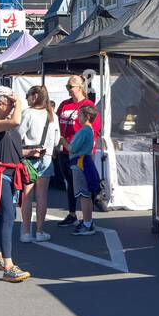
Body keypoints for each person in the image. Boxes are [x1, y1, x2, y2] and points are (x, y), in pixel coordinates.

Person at [0, 87, 31, 282]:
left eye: (13, 103)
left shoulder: (7, 126)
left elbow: (14, 148)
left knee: (5, 215)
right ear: (0, 103)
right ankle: (8, 266)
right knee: (9, 216)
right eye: (10, 103)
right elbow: (16, 120)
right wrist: (19, 102)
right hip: (1, 174)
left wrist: (31, 153)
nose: (13, 106)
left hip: (13, 172)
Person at [54, 74, 100, 229]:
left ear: (80, 87)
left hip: (80, 152)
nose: (68, 90)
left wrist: (89, 146)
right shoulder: (64, 105)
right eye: (67, 87)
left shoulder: (88, 106)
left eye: (70, 87)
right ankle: (72, 214)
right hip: (64, 151)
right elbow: (55, 122)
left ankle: (87, 218)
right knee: (70, 183)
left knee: (84, 186)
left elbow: (95, 128)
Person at [19, 85, 59, 242]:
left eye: (28, 95)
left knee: (26, 196)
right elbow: (56, 141)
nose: (27, 98)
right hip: (46, 156)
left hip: (29, 156)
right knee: (42, 196)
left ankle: (27, 232)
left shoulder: (27, 113)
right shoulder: (52, 115)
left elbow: (18, 135)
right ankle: (40, 231)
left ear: (35, 96)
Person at [67, 104, 100, 236]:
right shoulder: (88, 130)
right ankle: (87, 221)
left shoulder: (85, 130)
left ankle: (88, 223)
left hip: (80, 162)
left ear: (86, 117)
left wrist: (62, 140)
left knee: (84, 195)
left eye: (80, 115)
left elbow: (72, 148)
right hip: (83, 162)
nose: (77, 117)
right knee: (84, 195)